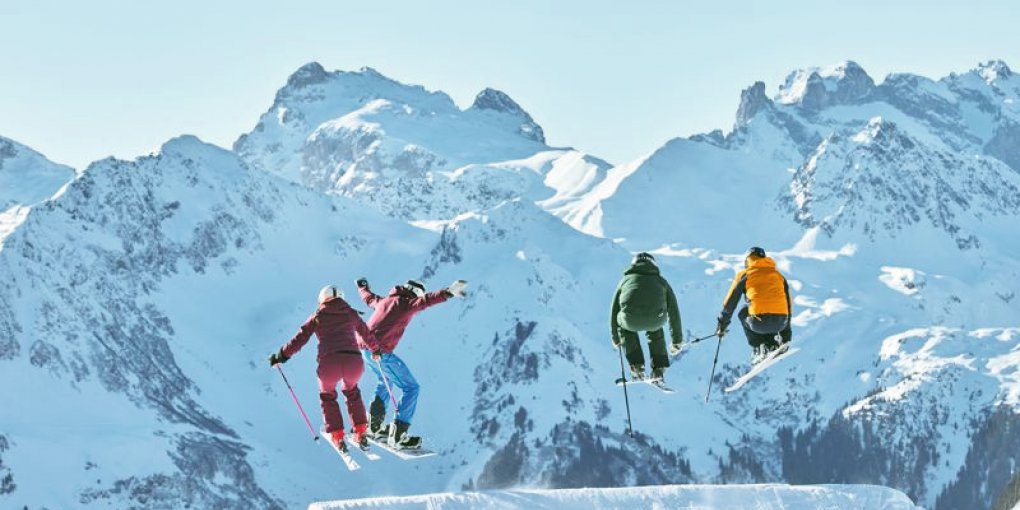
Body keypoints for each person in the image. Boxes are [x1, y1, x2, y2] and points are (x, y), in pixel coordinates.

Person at [357, 277, 467, 449]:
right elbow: (426, 301)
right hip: (380, 352)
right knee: (411, 387)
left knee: (385, 381)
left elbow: (369, 298)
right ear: (415, 293)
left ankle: (374, 426)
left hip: (364, 349)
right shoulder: (407, 304)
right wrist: (448, 292)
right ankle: (398, 436)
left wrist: (362, 288)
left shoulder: (385, 301)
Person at [269, 285, 380, 453]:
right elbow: (365, 332)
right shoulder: (350, 313)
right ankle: (361, 432)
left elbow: (300, 338)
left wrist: (281, 356)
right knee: (352, 391)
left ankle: (338, 436)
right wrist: (376, 350)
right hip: (353, 362)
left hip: (329, 364)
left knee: (327, 396)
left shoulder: (318, 316)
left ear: (322, 299)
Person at [610, 252, 683, 382]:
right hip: (656, 320)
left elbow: (614, 309)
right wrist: (677, 340)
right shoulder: (662, 281)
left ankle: (637, 367)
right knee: (656, 328)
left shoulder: (624, 281)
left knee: (624, 327)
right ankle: (658, 369)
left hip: (630, 320)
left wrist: (616, 338)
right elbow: (674, 311)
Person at [716, 247, 793, 364]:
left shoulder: (745, 275)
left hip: (758, 324)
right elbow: (788, 306)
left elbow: (730, 303)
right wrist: (786, 336)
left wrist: (722, 325)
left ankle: (758, 348)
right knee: (769, 310)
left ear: (747, 260)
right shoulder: (779, 276)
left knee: (744, 312)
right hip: (781, 323)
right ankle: (772, 345)